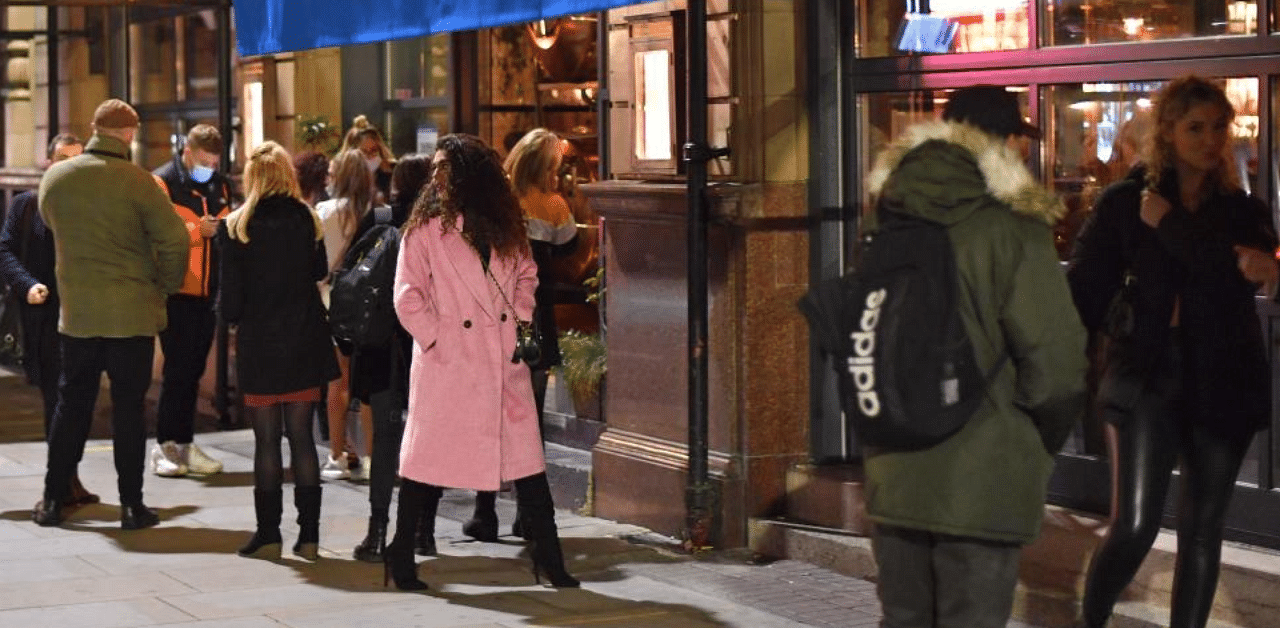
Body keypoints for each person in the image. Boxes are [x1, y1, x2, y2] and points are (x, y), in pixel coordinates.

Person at [861, 85, 1087, 628]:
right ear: (1005, 142)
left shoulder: (888, 216)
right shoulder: (1014, 226)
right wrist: (1035, 438)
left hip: (895, 468)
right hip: (982, 476)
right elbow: (1057, 367)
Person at [1068, 76, 1277, 628]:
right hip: (1147, 374)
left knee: (1203, 532)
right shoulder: (1124, 203)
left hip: (1223, 376)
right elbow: (1085, 288)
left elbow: (1226, 272)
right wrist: (1127, 311)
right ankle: (1092, 621)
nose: (1210, 140)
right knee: (1134, 526)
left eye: (1218, 128)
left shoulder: (1241, 209)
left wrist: (1174, 226)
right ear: (1166, 131)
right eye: (1195, 128)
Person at [385, 133, 579, 590]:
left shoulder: (506, 224)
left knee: (530, 470)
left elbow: (527, 275)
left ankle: (550, 560)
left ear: (468, 174)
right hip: (448, 366)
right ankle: (400, 557)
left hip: (499, 363)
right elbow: (407, 296)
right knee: (422, 470)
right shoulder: (426, 229)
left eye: (443, 168)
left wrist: (517, 324)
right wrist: (438, 340)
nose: (436, 176)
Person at [33, 99, 189, 529]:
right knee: (129, 411)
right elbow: (176, 240)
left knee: (71, 407)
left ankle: (51, 500)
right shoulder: (139, 183)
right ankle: (131, 506)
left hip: (78, 315)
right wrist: (165, 285)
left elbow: (51, 224)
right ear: (129, 134)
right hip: (132, 317)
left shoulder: (56, 179)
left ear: (94, 129)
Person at [219, 141, 340, 561]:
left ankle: (268, 533)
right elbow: (319, 271)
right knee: (304, 439)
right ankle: (309, 536)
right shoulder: (308, 219)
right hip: (304, 342)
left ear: (253, 177)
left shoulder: (236, 226)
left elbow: (230, 302)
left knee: (267, 442)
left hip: (260, 346)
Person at [461, 128, 581, 543]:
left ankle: (484, 511)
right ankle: (527, 514)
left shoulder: (497, 205)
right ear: (547, 167)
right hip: (535, 323)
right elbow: (570, 253)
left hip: (493, 321)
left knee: (489, 416)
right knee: (528, 421)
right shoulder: (552, 205)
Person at [0, 134, 98, 513]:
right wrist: (27, 286)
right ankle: (62, 482)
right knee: (57, 400)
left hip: (83, 315)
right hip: (44, 318)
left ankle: (68, 478)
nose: (68, 166)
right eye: (62, 158)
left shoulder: (90, 206)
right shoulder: (27, 205)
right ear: (48, 161)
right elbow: (5, 249)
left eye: (77, 159)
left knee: (78, 399)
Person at [352, 153, 434, 563]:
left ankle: (376, 532)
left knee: (385, 442)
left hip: (381, 349)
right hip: (426, 347)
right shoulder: (438, 228)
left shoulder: (379, 217)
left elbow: (351, 274)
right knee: (426, 440)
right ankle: (423, 531)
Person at [149, 124, 231, 478]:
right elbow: (156, 233)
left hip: (209, 292)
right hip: (176, 291)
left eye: (214, 161)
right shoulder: (163, 183)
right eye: (203, 160)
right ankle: (166, 445)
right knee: (178, 370)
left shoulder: (219, 184)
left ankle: (183, 443)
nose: (209, 166)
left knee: (193, 370)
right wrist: (198, 231)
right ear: (187, 151)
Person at [315, 149, 375, 481]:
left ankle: (337, 455)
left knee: (337, 384)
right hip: (368, 307)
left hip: (333, 303)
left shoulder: (324, 212)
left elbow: (316, 261)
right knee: (367, 387)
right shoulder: (378, 213)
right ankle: (371, 459)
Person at [341, 115, 395, 202]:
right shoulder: (343, 179)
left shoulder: (389, 173)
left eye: (373, 150)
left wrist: (387, 174)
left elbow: (387, 212)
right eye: (363, 152)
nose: (369, 156)